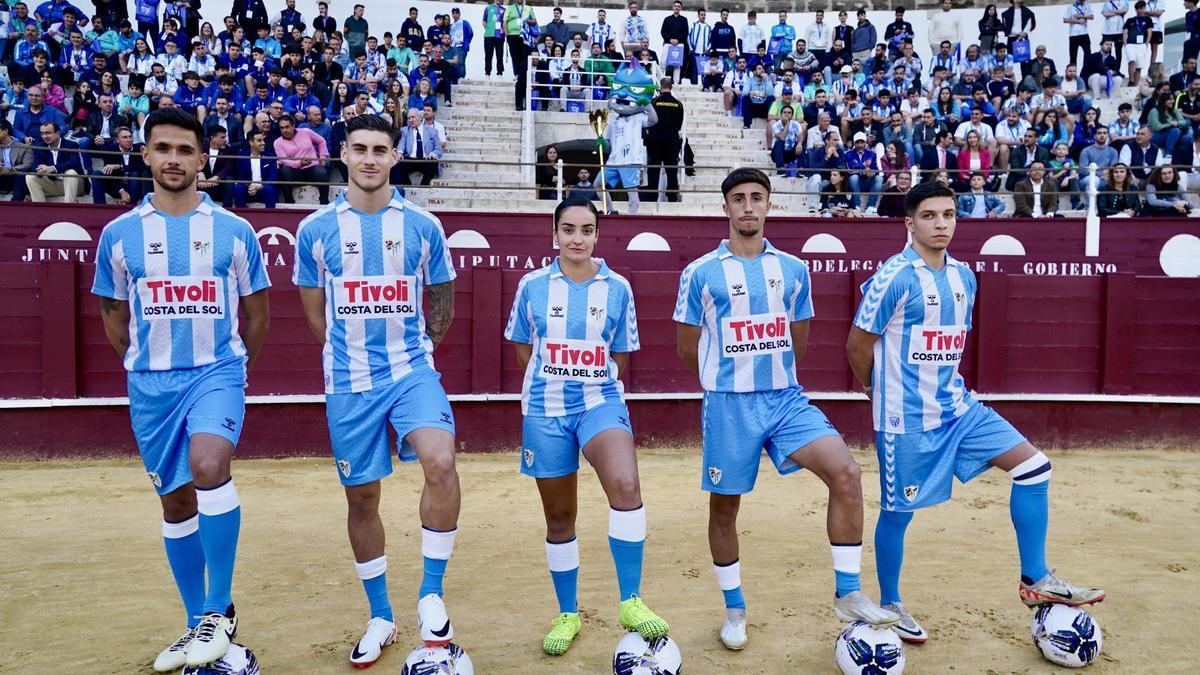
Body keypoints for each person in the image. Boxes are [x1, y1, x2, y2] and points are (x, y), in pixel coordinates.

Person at [847, 180, 1104, 646]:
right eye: (929, 215)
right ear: (909, 223)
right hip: (906, 419)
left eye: (948, 214)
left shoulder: (965, 277)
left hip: (960, 408)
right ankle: (891, 602)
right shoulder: (893, 277)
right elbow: (857, 345)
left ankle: (1035, 578)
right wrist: (873, 389)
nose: (941, 224)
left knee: (1034, 468)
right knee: (898, 512)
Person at [674, 167, 899, 652]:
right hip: (729, 406)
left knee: (846, 472)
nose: (748, 206)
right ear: (725, 207)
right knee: (725, 508)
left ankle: (849, 592)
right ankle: (734, 608)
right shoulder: (700, 272)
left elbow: (799, 337)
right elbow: (687, 347)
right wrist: (723, 379)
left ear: (769, 204)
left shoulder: (794, 270)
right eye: (739, 198)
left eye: (757, 197)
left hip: (785, 399)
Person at [89, 107, 270, 672]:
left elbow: (258, 315)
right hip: (152, 386)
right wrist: (147, 365)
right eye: (163, 148)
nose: (173, 159)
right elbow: (114, 318)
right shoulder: (118, 235)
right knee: (176, 502)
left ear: (202, 158)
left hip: (217, 372)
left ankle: (219, 611)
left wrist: (233, 370)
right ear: (144, 154)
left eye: (185, 150)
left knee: (210, 464)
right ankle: (197, 625)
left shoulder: (234, 231)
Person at [292, 113, 461, 670]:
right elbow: (315, 313)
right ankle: (381, 615)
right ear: (343, 154)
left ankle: (431, 594)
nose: (369, 158)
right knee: (362, 499)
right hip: (348, 381)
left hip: (411, 370)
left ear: (394, 156)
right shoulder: (315, 229)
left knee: (441, 461)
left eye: (379, 149)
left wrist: (417, 351)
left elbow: (441, 303)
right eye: (360, 148)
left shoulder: (423, 226)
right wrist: (348, 357)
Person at [503, 196, 669, 657]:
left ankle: (631, 601)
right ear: (554, 233)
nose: (578, 238)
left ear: (598, 235)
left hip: (599, 400)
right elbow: (524, 349)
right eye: (569, 229)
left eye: (587, 230)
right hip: (545, 409)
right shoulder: (531, 285)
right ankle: (568, 613)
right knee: (559, 516)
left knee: (626, 484)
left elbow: (620, 354)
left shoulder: (618, 288)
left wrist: (589, 380)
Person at [601, 93, 656, 215]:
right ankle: (610, 210)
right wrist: (602, 143)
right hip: (613, 161)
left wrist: (648, 105)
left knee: (632, 193)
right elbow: (609, 145)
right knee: (598, 184)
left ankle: (632, 218)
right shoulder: (612, 121)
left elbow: (653, 120)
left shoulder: (638, 117)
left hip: (630, 161)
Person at [273, 114, 329, 205]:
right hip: (294, 171)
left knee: (321, 171)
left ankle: (324, 203)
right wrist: (299, 163)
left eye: (287, 127)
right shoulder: (277, 143)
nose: (285, 130)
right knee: (284, 171)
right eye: (282, 128)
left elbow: (321, 141)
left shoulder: (306, 132)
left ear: (293, 126)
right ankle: (289, 203)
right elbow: (283, 160)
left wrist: (322, 158)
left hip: (312, 167)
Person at [645, 77, 684, 203]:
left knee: (653, 170)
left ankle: (652, 198)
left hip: (655, 140)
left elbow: (648, 120)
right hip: (672, 140)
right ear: (671, 87)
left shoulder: (654, 101)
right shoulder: (678, 104)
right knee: (672, 171)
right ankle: (672, 198)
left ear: (660, 87)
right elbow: (679, 124)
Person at [26, 120, 85, 202]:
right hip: (54, 184)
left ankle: (69, 206)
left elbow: (74, 163)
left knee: (70, 172)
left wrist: (52, 168)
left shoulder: (71, 145)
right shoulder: (41, 147)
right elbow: (35, 166)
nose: (44, 136)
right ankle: (39, 207)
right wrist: (40, 170)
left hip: (75, 185)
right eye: (42, 133)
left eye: (48, 133)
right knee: (30, 176)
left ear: (58, 133)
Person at [89, 126, 145, 204]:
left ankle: (131, 205)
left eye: (130, 137)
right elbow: (110, 174)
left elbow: (140, 167)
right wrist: (121, 191)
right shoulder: (110, 150)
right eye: (125, 137)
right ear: (117, 140)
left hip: (135, 185)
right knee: (96, 174)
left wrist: (119, 166)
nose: (129, 140)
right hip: (116, 186)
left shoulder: (139, 148)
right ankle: (100, 207)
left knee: (135, 173)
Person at [232, 128, 278, 208]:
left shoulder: (270, 156)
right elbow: (240, 176)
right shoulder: (241, 156)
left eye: (263, 140)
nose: (263, 143)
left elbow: (273, 177)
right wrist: (250, 186)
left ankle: (271, 215)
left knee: (269, 189)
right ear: (251, 142)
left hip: (264, 190)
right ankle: (241, 214)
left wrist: (259, 187)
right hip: (248, 190)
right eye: (259, 141)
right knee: (238, 188)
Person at [397, 107, 442, 186]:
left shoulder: (432, 131)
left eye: (413, 117)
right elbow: (402, 143)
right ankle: (408, 186)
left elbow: (438, 148)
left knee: (433, 163)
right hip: (410, 159)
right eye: (409, 118)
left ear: (420, 117)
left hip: (426, 159)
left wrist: (433, 154)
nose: (411, 120)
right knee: (398, 164)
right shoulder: (405, 130)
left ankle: (423, 186)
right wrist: (399, 152)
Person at [0, 119, 34, 201]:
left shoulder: (24, 147)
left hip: (16, 178)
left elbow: (27, 165)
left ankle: (15, 204)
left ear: (5, 131)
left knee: (21, 175)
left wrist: (9, 169)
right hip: (1, 178)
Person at [1122, 1, 1152, 86]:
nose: (1139, 10)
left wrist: (1146, 43)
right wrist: (1125, 43)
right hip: (1130, 44)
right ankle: (1131, 81)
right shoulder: (1130, 20)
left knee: (1138, 67)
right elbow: (1125, 31)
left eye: (1141, 8)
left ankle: (1135, 84)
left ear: (1144, 8)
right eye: (1137, 9)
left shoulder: (1148, 20)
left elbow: (1150, 32)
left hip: (1141, 45)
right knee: (1132, 60)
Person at [1062, 0, 1094, 70]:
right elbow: (1065, 20)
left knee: (1088, 54)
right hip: (1073, 34)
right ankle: (1072, 73)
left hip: (1084, 33)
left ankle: (1085, 72)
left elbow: (1092, 16)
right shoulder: (1071, 7)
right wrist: (1077, 21)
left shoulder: (1087, 5)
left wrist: (1081, 16)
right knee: (1073, 56)